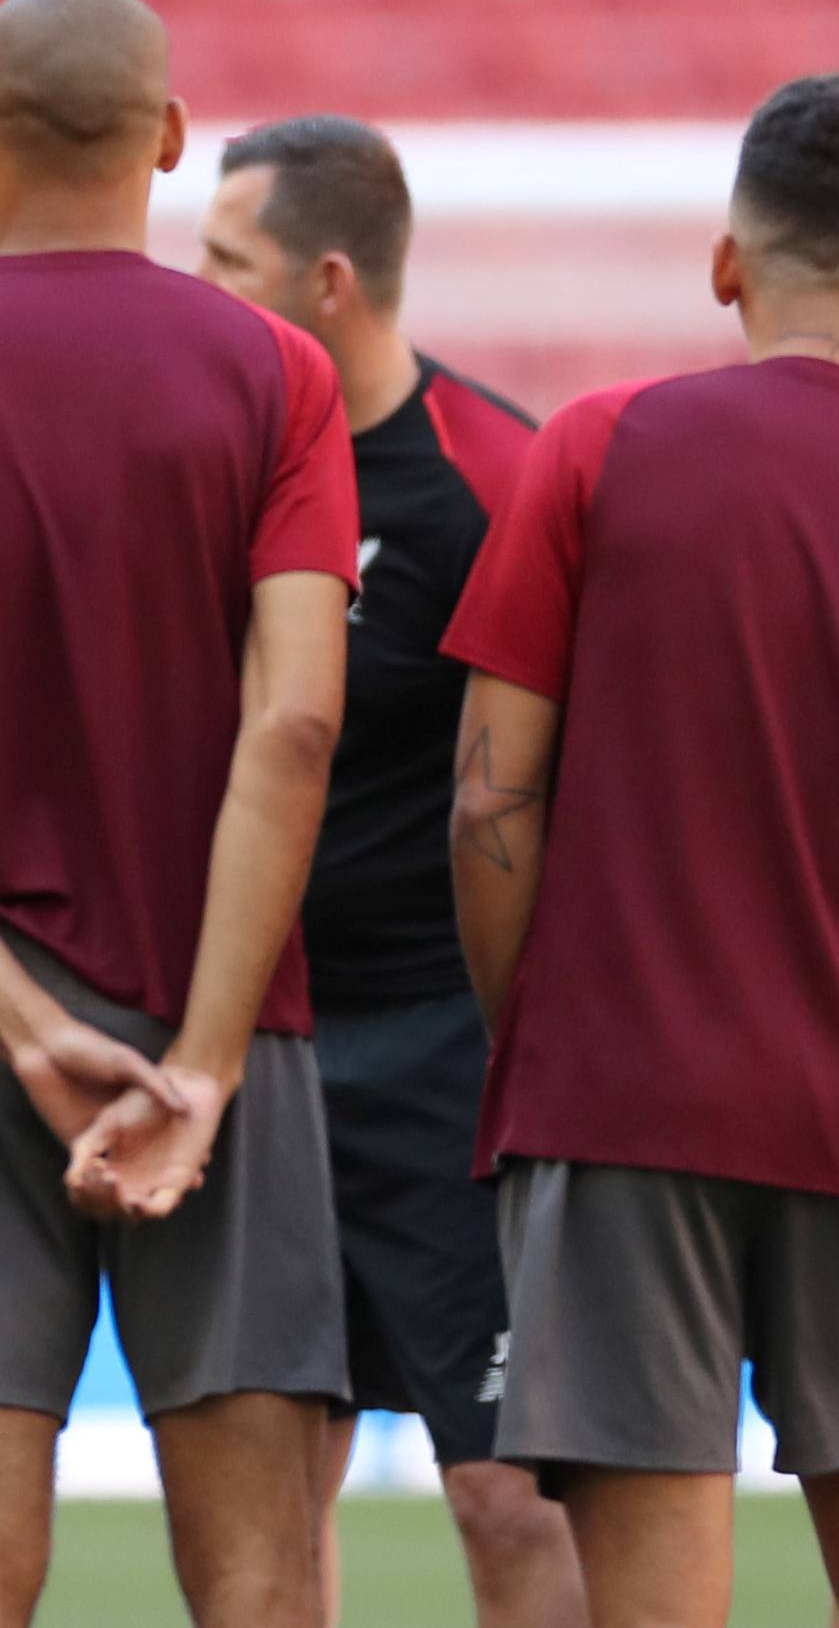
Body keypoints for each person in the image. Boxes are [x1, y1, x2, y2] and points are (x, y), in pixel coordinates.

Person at [438, 73, 839, 1628]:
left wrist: (547, 1049)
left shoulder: (592, 451)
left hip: (616, 1112)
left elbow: (484, 805)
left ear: (729, 265)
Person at [0, 0, 358, 1626]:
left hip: (5, 1019)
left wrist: (23, 1025)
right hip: (230, 1021)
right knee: (258, 1581)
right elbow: (292, 726)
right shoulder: (278, 373)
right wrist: (204, 1065)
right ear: (163, 137)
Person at [195, 116, 585, 1628]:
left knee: (506, 1485)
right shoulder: (203, 470)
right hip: (255, 1047)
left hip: (449, 1054)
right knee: (272, 1483)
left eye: (229, 263)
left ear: (329, 282)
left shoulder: (496, 479)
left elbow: (572, 781)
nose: (199, 289)